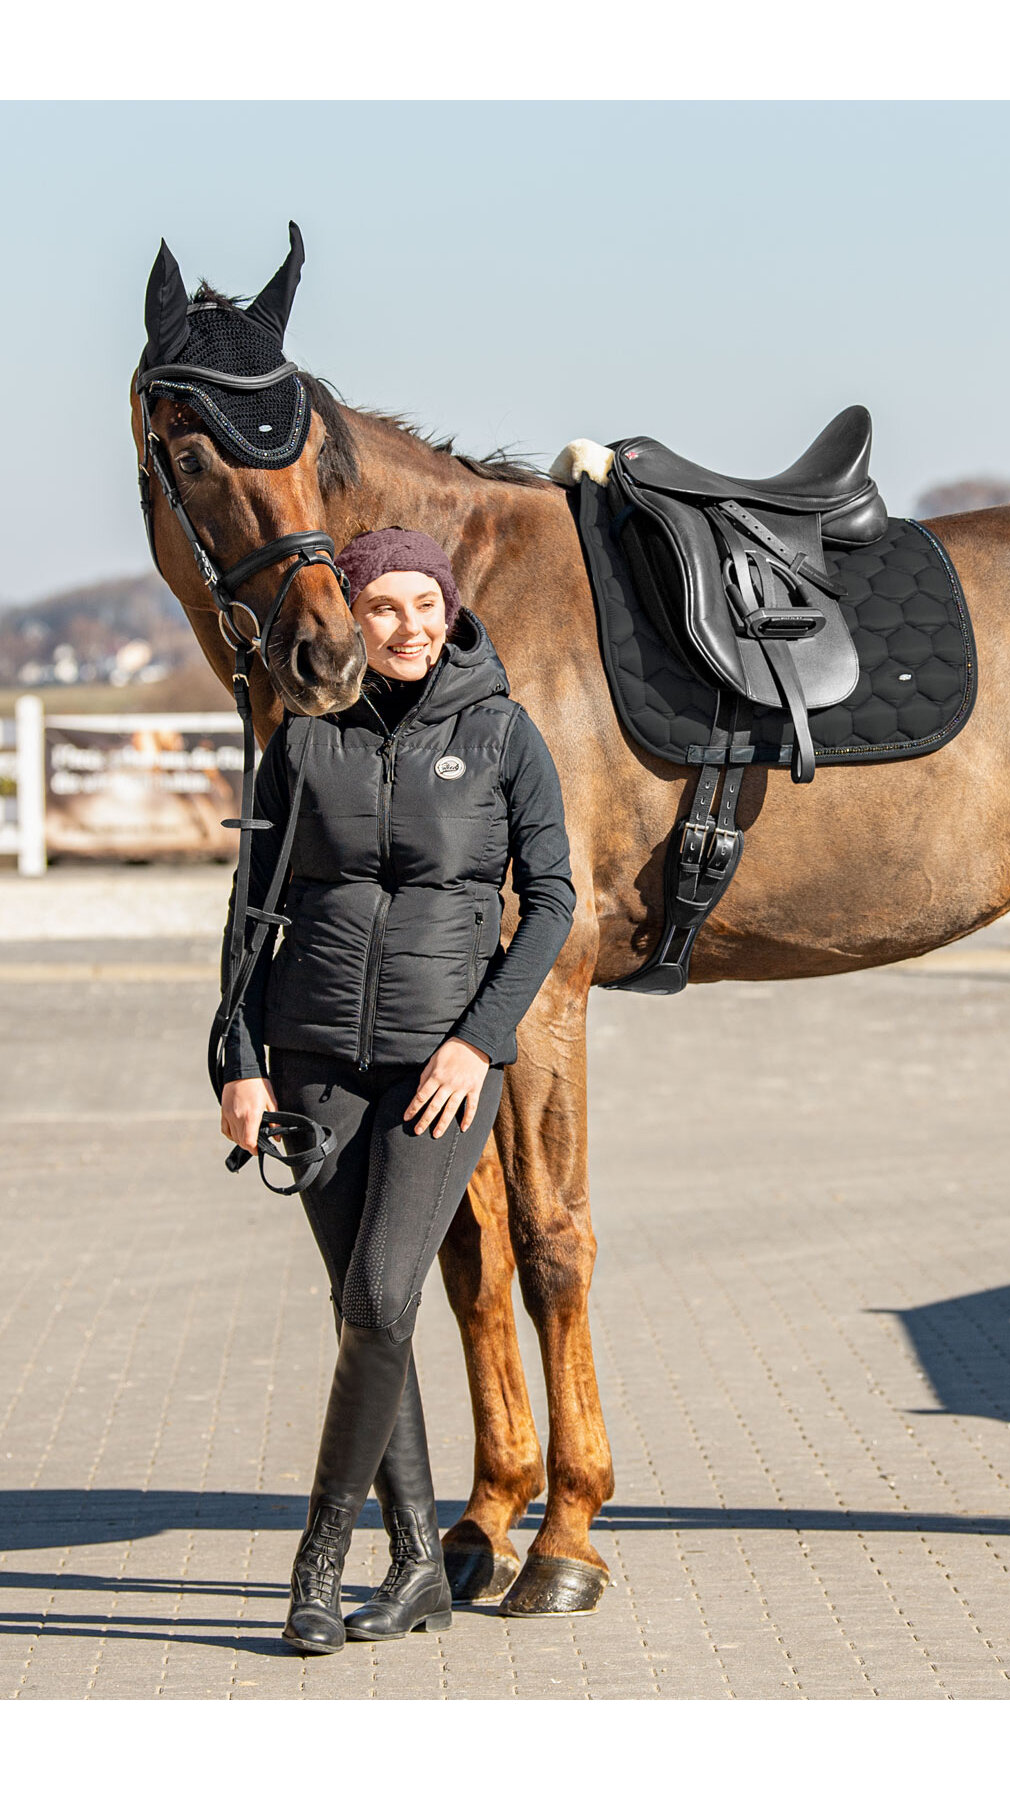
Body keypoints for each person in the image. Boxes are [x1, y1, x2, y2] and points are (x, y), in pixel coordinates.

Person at [218, 526, 575, 1654]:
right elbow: (251, 908)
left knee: (378, 1298)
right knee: (365, 1318)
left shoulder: (504, 733)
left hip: (440, 1070)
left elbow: (554, 904)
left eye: (426, 605)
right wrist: (236, 1057)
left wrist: (478, 1042)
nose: (407, 626)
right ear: (355, 620)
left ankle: (319, 1562)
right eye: (385, 608)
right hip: (311, 1056)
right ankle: (418, 1562)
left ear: (450, 610)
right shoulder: (302, 741)